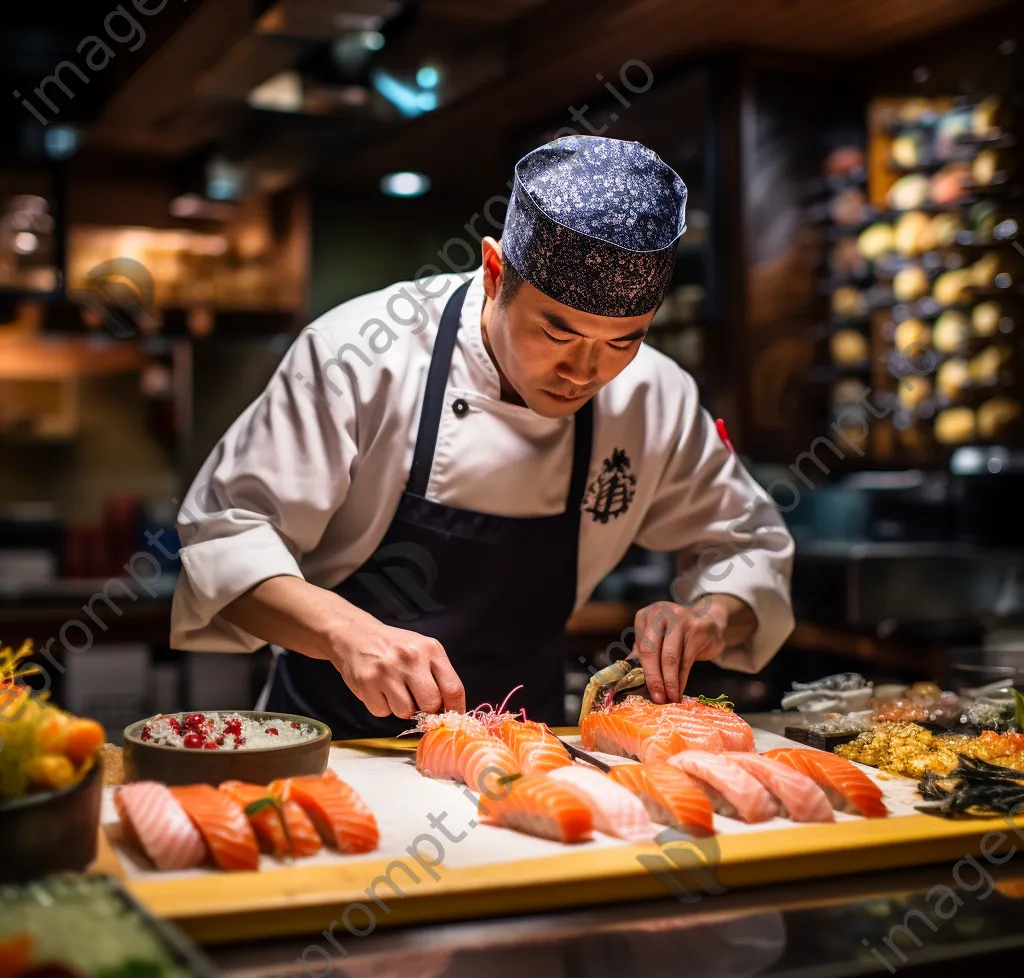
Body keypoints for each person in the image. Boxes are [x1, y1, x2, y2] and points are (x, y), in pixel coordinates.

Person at [170, 135, 795, 738]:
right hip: (335, 740)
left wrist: (710, 617)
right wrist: (347, 634)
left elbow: (748, 544)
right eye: (556, 335)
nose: (583, 373)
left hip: (532, 744)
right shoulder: (359, 355)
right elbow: (225, 535)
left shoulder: (655, 395)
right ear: (495, 273)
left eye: (622, 342)